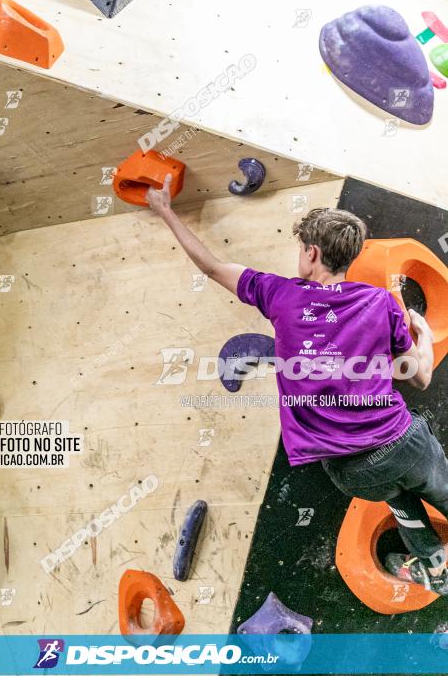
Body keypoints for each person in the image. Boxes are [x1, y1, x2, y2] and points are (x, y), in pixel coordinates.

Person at [147, 175, 447, 593]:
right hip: (402, 445)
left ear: (311, 253)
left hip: (348, 470)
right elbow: (421, 376)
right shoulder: (378, 302)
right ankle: (432, 563)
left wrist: (165, 211)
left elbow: (211, 267)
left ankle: (434, 566)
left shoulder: (280, 295)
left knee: (395, 495)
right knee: (420, 486)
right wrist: (422, 338)